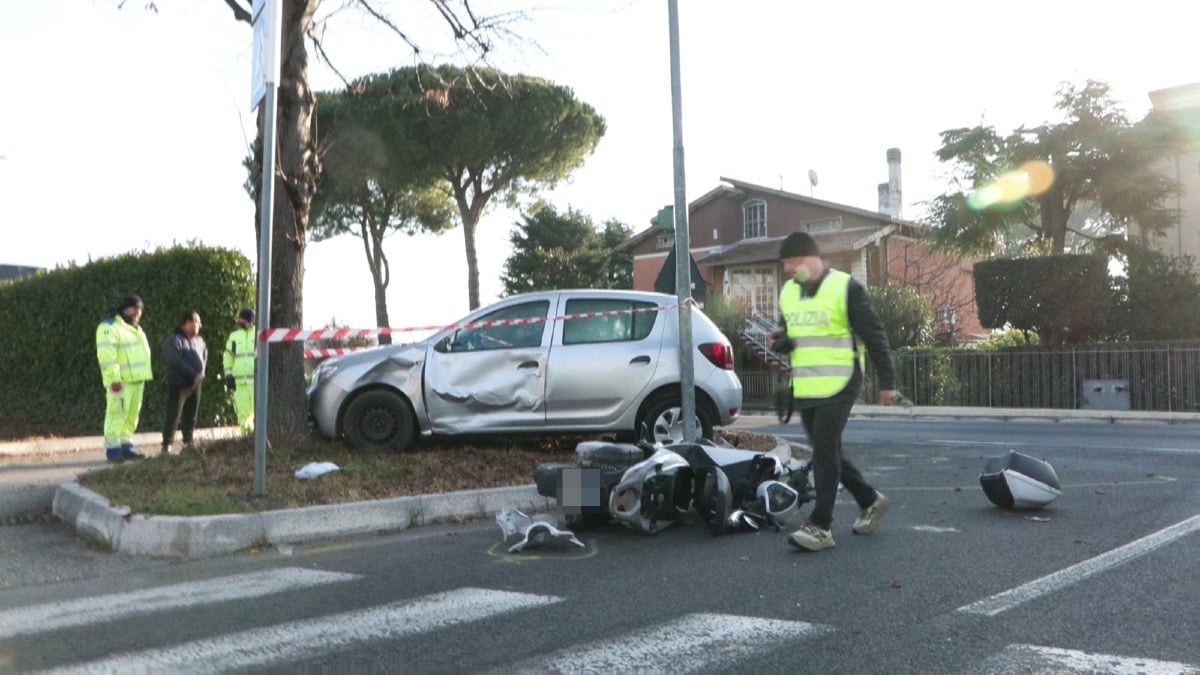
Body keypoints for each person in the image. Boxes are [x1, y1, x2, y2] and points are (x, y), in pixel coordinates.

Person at [772, 231, 898, 552]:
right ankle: (870, 499)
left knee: (825, 450)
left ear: (811, 258)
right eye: (785, 264)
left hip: (842, 381)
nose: (787, 269)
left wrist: (888, 381)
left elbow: (874, 333)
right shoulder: (788, 293)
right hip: (807, 384)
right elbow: (791, 333)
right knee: (827, 451)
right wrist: (783, 341)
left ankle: (821, 526)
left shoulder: (845, 287)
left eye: (792, 262)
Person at [95, 294, 153, 463]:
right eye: (134, 308)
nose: (137, 312)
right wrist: (114, 380)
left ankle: (126, 445)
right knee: (116, 414)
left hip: (137, 380)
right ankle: (113, 450)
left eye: (140, 309)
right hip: (120, 381)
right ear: (124, 308)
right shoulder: (109, 327)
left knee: (131, 416)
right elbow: (107, 356)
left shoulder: (136, 329)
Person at [161, 311, 207, 454]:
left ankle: (188, 442)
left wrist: (201, 374)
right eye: (197, 322)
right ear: (187, 322)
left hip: (195, 384)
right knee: (174, 414)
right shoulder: (174, 340)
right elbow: (175, 361)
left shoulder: (199, 341)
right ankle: (167, 445)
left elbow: (204, 357)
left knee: (191, 415)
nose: (199, 325)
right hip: (179, 383)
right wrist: (193, 374)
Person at [223, 308, 256, 436]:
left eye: (241, 319)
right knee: (243, 414)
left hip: (255, 382)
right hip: (239, 383)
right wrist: (228, 375)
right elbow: (228, 357)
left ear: (250, 320)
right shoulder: (234, 336)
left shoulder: (259, 335)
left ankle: (257, 439)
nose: (239, 321)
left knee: (259, 414)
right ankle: (247, 438)